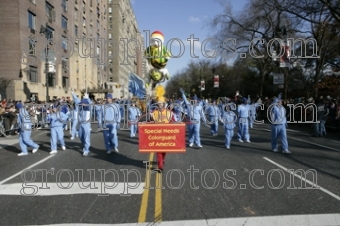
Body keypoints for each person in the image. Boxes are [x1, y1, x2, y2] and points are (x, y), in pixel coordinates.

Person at [150, 86, 172, 171]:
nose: (160, 105)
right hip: (157, 134)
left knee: (164, 151)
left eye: (161, 103)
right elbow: (149, 123)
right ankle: (160, 166)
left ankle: (162, 160)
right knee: (159, 151)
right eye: (158, 103)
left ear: (163, 104)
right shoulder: (154, 112)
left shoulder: (169, 112)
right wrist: (151, 118)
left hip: (166, 134)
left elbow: (173, 122)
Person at [71, 89, 92, 156]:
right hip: (81, 124)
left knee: (86, 137)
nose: (82, 104)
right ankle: (85, 145)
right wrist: (73, 94)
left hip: (86, 124)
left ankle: (86, 149)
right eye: (82, 103)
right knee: (80, 136)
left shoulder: (89, 108)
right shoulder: (80, 107)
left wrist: (87, 98)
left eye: (84, 103)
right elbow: (77, 100)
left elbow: (91, 103)